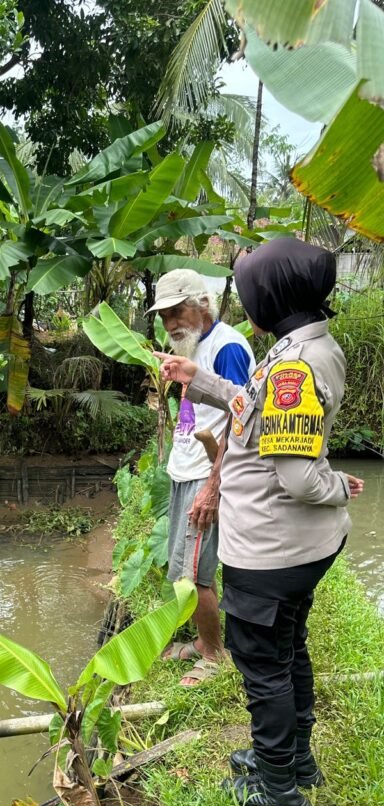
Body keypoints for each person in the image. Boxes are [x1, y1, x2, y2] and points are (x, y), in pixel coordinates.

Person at [154, 237, 364, 806]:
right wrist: (200, 380)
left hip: (271, 549)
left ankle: (277, 788)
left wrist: (335, 486)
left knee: (263, 663)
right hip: (291, 544)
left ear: (273, 297)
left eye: (251, 294)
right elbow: (257, 409)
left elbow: (298, 477)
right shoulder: (302, 348)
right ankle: (294, 760)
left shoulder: (294, 366)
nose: (247, 304)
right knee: (287, 649)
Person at [148, 269, 255, 687]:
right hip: (185, 470)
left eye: (177, 312)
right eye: (164, 316)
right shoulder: (194, 347)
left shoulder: (228, 347)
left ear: (203, 305)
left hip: (206, 475)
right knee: (184, 569)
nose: (170, 323)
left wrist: (213, 487)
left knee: (196, 575)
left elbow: (241, 422)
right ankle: (202, 641)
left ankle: (213, 655)